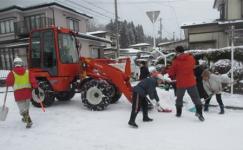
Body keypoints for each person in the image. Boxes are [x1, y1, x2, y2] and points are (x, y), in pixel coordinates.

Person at [166, 46, 204, 121]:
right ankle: (199, 113)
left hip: (181, 83)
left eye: (175, 52)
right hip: (191, 82)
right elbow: (193, 65)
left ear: (177, 52)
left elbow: (171, 72)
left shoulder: (176, 61)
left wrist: (169, 71)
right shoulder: (190, 58)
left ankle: (178, 113)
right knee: (196, 98)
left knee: (179, 98)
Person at [5, 57, 38, 128]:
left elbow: (9, 83)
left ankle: (28, 121)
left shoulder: (12, 73)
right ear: (21, 64)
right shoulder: (28, 72)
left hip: (18, 95)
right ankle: (25, 118)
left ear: (14, 64)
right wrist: (36, 88)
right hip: (27, 93)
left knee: (22, 110)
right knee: (26, 108)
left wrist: (7, 82)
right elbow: (33, 81)